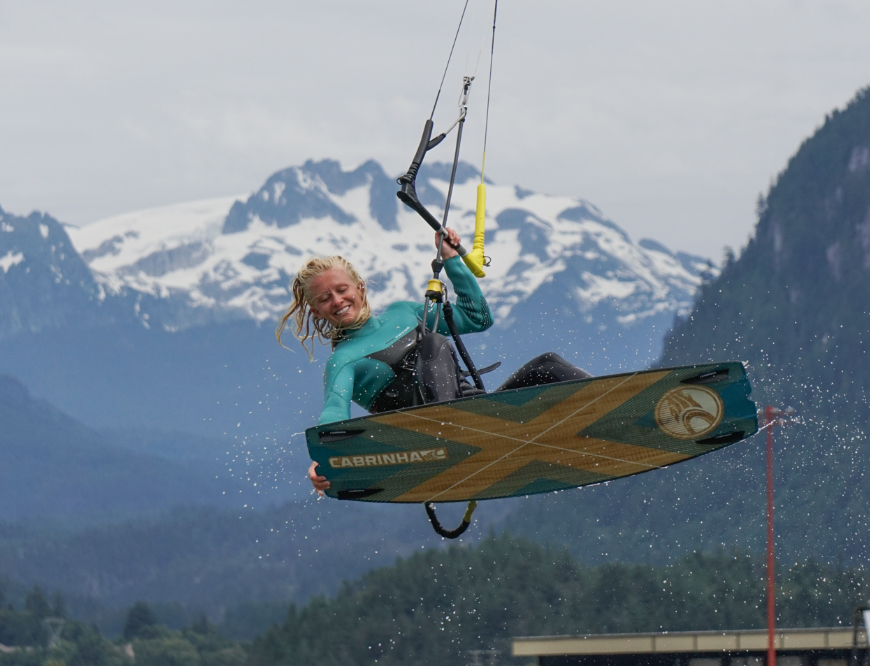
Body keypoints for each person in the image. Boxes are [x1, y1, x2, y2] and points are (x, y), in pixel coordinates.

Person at [278, 228, 590, 494]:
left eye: (342, 289)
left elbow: (477, 317)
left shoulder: (404, 312)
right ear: (317, 312)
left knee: (549, 364)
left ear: (360, 288)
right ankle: (453, 430)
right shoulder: (343, 360)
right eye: (325, 299)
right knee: (433, 342)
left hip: (484, 419)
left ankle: (603, 411)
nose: (337, 300)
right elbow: (335, 411)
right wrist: (325, 456)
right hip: (428, 443)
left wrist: (452, 260)